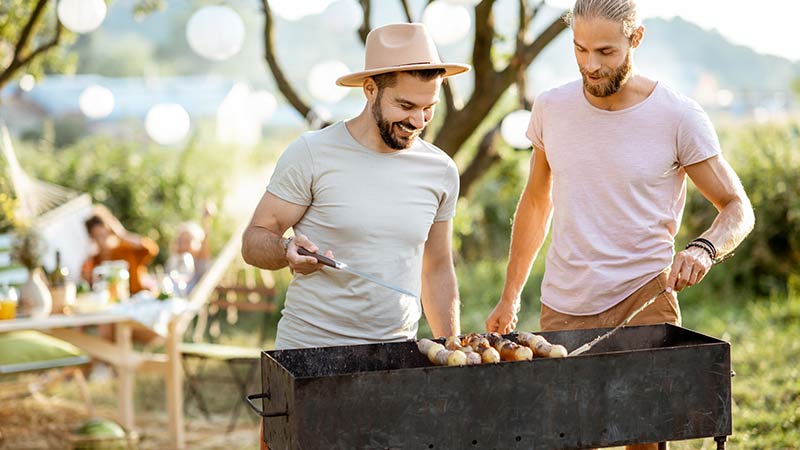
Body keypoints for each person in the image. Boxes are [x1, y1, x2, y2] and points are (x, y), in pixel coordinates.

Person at [485, 1, 754, 448]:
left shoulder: (678, 116)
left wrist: (704, 248)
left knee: (645, 438)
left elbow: (737, 207)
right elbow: (536, 202)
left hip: (643, 299)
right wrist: (510, 294)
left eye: (606, 52)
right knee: (566, 436)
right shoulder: (551, 108)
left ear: (637, 38)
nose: (591, 65)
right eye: (580, 49)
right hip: (563, 305)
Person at [242, 22, 470, 351]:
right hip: (309, 350)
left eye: (428, 109)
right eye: (406, 106)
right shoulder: (312, 153)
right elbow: (253, 240)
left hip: (397, 352)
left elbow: (436, 268)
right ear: (370, 89)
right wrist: (285, 250)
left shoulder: (441, 170)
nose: (418, 122)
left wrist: (452, 349)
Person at [82, 205, 159, 295]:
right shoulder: (94, 259)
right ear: (92, 238)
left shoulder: (125, 249)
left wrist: (122, 234)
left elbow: (151, 249)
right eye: (97, 236)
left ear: (110, 232)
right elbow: (90, 282)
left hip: (137, 298)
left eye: (103, 235)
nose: (101, 241)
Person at [168, 202, 216, 294]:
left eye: (187, 241)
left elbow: (205, 242)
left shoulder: (200, 262)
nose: (183, 244)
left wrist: (207, 220)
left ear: (199, 243)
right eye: (180, 241)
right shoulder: (176, 260)